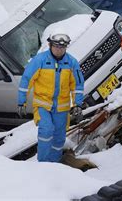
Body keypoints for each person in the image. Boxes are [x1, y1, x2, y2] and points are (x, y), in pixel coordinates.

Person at [17, 31, 85, 162]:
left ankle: (54, 165)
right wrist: (21, 102)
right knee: (46, 130)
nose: (59, 50)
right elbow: (26, 80)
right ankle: (42, 163)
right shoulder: (40, 60)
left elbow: (77, 85)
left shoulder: (72, 63)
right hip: (43, 105)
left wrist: (77, 104)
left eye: (62, 47)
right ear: (50, 45)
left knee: (59, 138)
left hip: (62, 108)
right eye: (56, 46)